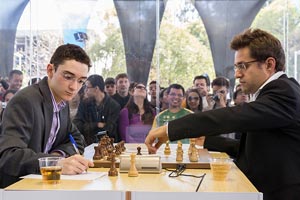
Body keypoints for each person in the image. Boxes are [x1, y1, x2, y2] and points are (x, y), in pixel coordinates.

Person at [145, 28, 300, 200]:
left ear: (269, 64)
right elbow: (257, 149)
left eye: (243, 66)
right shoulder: (272, 93)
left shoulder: (284, 92)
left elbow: (231, 117)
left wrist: (170, 130)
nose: (238, 74)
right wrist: (210, 141)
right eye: (236, 67)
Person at [0, 44, 94, 188]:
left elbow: (77, 141)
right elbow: (9, 155)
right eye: (68, 77)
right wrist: (56, 163)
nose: (74, 87)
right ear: (50, 70)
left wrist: (57, 155)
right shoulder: (25, 101)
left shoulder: (62, 103)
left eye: (81, 81)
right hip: (17, 188)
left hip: (45, 186)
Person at [73, 74, 121, 144]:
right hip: (87, 144)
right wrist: (97, 124)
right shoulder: (84, 103)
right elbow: (77, 125)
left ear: (96, 89)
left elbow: (110, 130)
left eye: (87, 87)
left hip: (107, 146)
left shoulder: (114, 106)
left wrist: (88, 126)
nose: (85, 90)